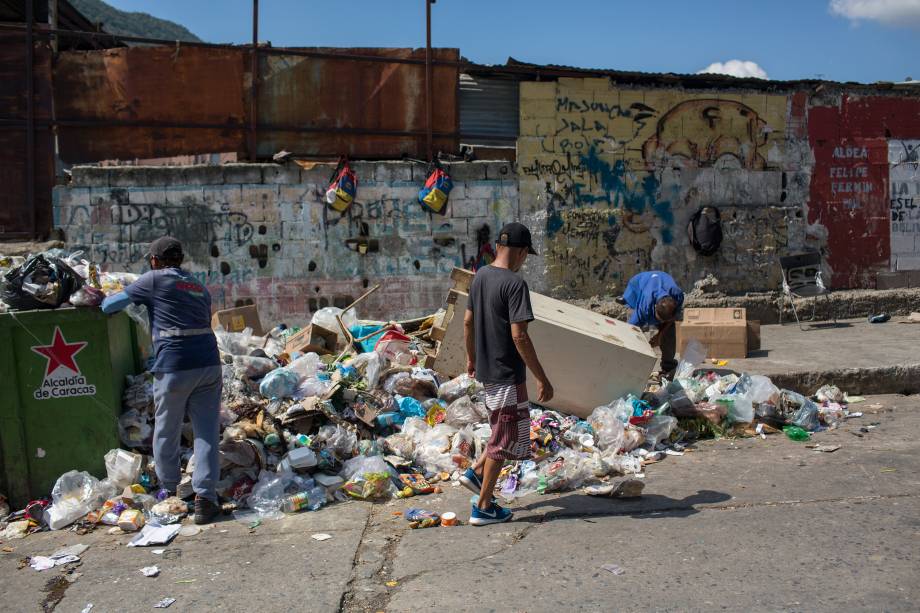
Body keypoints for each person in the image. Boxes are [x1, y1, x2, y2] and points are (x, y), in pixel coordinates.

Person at [101, 237, 223, 525]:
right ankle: (206, 499)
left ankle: (169, 492)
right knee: (206, 432)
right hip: (209, 363)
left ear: (154, 260)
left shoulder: (154, 279)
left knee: (166, 428)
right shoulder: (198, 286)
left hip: (175, 366)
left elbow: (110, 305)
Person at [459, 222, 553, 526]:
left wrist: (472, 359)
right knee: (503, 440)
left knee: (502, 430)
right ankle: (483, 507)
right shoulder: (515, 284)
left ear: (498, 246)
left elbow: (467, 322)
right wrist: (542, 377)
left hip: (488, 372)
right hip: (507, 373)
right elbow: (519, 336)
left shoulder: (480, 276)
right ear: (522, 252)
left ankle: (475, 474)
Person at [619, 271, 684, 378]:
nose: (661, 323)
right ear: (654, 308)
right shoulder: (645, 305)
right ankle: (628, 366)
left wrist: (660, 335)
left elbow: (671, 320)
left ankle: (668, 367)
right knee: (632, 334)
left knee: (669, 333)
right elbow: (630, 329)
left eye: (664, 320)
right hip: (637, 286)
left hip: (662, 280)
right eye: (659, 320)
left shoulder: (677, 296)